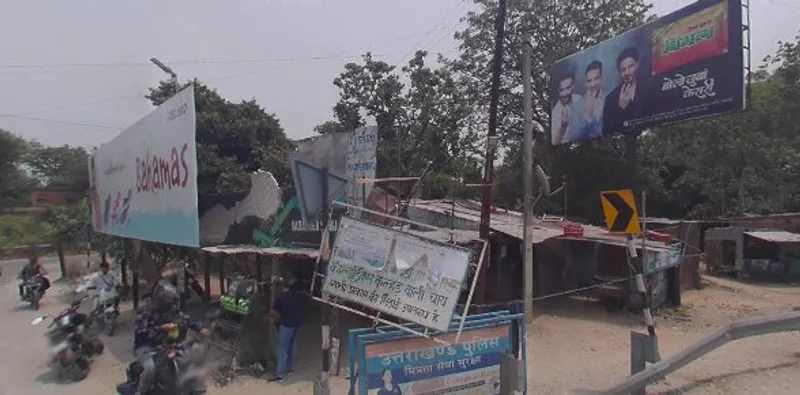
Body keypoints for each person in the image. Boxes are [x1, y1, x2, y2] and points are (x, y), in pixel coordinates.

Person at [132, 282, 209, 395]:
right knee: (150, 368)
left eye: (170, 299)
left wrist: (200, 329)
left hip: (164, 345)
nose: (169, 301)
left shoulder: (172, 309)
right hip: (145, 348)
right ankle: (140, 392)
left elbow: (185, 319)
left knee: (187, 359)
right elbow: (141, 331)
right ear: (159, 298)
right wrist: (160, 328)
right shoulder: (146, 312)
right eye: (167, 298)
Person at [268, 278, 305, 383]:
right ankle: (290, 369)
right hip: (297, 324)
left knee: (283, 349)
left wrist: (269, 319)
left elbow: (273, 314)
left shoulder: (280, 298)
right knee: (292, 346)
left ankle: (280, 375)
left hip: (286, 325)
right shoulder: (296, 295)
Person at [603, 47, 645, 135]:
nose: (627, 72)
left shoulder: (649, 87)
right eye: (623, 70)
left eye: (630, 66)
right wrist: (621, 108)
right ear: (619, 72)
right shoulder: (611, 98)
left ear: (637, 64)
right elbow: (607, 130)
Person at [576, 60, 606, 141]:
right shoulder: (579, 103)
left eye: (596, 79)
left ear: (602, 79)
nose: (593, 84)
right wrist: (588, 114)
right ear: (585, 83)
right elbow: (578, 133)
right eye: (589, 81)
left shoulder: (609, 98)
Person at [551, 73, 582, 145]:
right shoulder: (555, 114)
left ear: (573, 87)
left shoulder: (578, 98)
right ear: (558, 91)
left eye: (568, 88)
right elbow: (555, 142)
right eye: (562, 90)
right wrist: (563, 127)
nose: (565, 93)